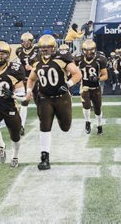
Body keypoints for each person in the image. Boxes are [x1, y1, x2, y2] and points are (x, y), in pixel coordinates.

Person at [26, 35, 82, 170]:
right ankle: (44, 157)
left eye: (48, 48)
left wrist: (68, 84)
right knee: (44, 126)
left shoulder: (62, 57)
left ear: (54, 48)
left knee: (65, 127)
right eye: (42, 48)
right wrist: (29, 90)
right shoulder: (36, 60)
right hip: (45, 98)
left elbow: (77, 74)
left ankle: (61, 119)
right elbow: (31, 78)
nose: (45, 51)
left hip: (62, 97)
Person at [75, 39, 108, 134]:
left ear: (95, 49)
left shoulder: (100, 59)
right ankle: (87, 122)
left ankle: (99, 124)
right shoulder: (78, 59)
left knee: (98, 109)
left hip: (96, 87)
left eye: (91, 50)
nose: (88, 52)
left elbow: (105, 75)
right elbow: (73, 72)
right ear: (82, 50)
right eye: (86, 50)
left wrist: (98, 79)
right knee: (86, 106)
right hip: (84, 86)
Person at [15, 32, 39, 136]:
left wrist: (33, 68)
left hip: (36, 79)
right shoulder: (19, 51)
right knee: (24, 102)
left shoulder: (37, 51)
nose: (26, 43)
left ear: (32, 41)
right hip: (25, 79)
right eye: (24, 42)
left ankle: (44, 122)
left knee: (40, 102)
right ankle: (21, 126)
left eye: (28, 41)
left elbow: (43, 64)